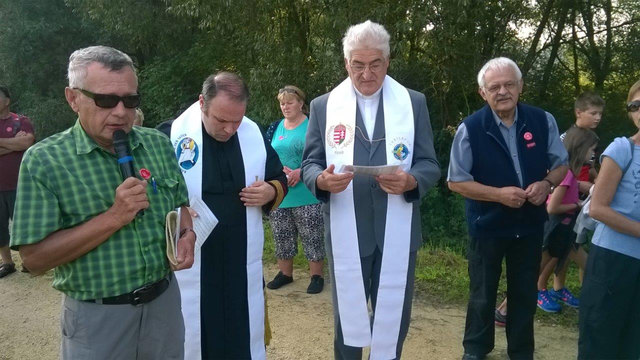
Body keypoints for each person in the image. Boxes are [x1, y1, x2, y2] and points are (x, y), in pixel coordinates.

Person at [10, 45, 195, 359]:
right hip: (98, 319)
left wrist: (187, 236)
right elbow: (34, 259)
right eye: (106, 100)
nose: (121, 112)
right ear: (73, 98)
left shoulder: (157, 144)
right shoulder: (44, 161)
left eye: (130, 100)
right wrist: (115, 216)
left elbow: (181, 207)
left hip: (163, 306)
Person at [301, 20, 441, 359]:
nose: (367, 73)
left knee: (394, 318)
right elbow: (310, 164)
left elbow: (429, 164)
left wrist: (412, 181)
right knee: (347, 320)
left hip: (399, 231)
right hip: (348, 229)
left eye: (375, 63)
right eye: (358, 64)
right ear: (347, 63)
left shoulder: (413, 102)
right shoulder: (323, 106)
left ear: (387, 61)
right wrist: (321, 180)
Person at [158, 72, 288, 360]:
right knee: (198, 334)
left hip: (240, 258)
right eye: (221, 120)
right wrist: (173, 207)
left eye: (237, 121)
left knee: (242, 328)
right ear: (202, 102)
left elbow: (280, 178)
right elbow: (150, 188)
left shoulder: (252, 135)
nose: (230, 129)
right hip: (194, 256)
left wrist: (270, 190)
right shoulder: (169, 135)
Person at [447, 57, 568, 360]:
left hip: (528, 224)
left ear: (520, 87)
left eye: (509, 84)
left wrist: (546, 184)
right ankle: (475, 349)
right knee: (482, 293)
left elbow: (561, 164)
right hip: (487, 224)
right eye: (494, 87)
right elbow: (456, 182)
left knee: (524, 293)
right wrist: (498, 195)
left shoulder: (542, 120)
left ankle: (521, 351)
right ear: (483, 93)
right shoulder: (470, 128)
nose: (502, 91)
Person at [578, 80, 640, 359]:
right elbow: (598, 208)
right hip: (612, 262)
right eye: (635, 106)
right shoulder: (622, 150)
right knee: (600, 343)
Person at [265, 85, 325, 294]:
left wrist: (301, 171)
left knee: (312, 235)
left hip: (306, 192)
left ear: (301, 103)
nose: (285, 106)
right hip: (281, 194)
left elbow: (322, 156)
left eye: (290, 102)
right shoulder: (275, 127)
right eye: (282, 103)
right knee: (282, 235)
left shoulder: (313, 126)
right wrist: (278, 169)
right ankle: (285, 274)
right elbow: (267, 154)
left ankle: (316, 276)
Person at [536, 127, 598, 313]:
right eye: (591, 149)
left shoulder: (572, 172)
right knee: (535, 271)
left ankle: (517, 303)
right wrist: (578, 205)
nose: (594, 154)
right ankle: (506, 309)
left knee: (548, 263)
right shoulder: (568, 174)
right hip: (554, 226)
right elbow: (552, 207)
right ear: (580, 149)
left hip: (562, 227)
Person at [0, 85, 35, 278]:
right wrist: (13, 145)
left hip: (20, 184)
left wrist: (18, 144)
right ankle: (7, 263)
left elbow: (27, 142)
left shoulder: (20, 121)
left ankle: (29, 261)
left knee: (24, 224)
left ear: (7, 101)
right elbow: (19, 144)